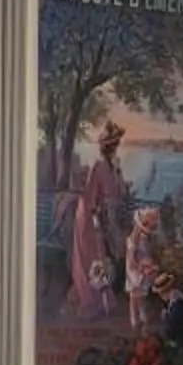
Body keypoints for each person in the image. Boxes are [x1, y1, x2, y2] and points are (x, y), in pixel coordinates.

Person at [65, 122, 130, 321]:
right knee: (95, 258)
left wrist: (119, 175)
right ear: (107, 147)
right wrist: (95, 220)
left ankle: (101, 299)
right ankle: (92, 300)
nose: (116, 147)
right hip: (89, 217)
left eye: (117, 144)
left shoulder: (112, 166)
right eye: (114, 144)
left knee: (105, 258)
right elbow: (89, 197)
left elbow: (119, 192)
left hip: (105, 216)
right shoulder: (98, 166)